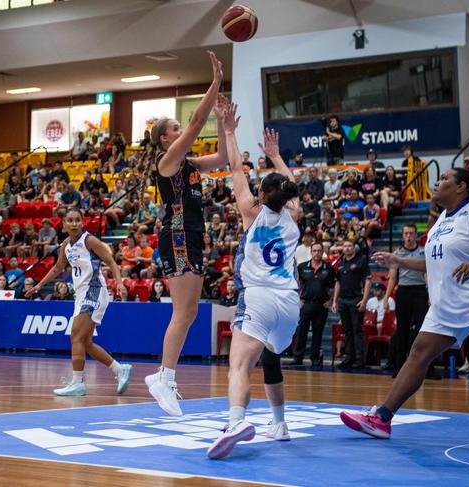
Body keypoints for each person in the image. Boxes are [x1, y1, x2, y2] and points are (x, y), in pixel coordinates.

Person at [341, 168, 469, 439]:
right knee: (419, 352)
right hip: (447, 304)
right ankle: (381, 418)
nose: (438, 182)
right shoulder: (441, 220)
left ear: (462, 187)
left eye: (445, 178)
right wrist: (399, 261)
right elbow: (433, 263)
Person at [207, 112, 301, 460]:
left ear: (262, 195)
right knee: (272, 360)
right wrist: (276, 156)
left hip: (259, 297)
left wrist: (230, 132)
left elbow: (235, 168)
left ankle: (236, 421)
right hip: (289, 302)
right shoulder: (294, 216)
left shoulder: (251, 210)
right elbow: (291, 188)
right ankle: (279, 424)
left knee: (240, 367)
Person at [143, 51, 229, 417]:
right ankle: (164, 376)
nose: (183, 130)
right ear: (165, 139)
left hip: (192, 235)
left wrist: (226, 125)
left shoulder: (192, 164)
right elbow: (196, 122)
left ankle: (166, 376)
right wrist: (214, 85)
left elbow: (223, 159)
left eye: (180, 127)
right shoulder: (167, 163)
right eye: (174, 129)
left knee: (190, 311)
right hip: (177, 235)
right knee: (182, 312)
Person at [25, 208, 132, 397]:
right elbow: (58, 267)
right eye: (70, 220)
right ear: (64, 224)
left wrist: (120, 283)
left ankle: (77, 383)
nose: (74, 223)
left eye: (77, 220)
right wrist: (39, 285)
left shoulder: (89, 241)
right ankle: (119, 369)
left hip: (94, 291)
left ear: (82, 222)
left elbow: (111, 262)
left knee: (75, 336)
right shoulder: (66, 245)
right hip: (81, 295)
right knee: (86, 342)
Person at [384, 223, 428, 373]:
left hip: (420, 291)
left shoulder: (424, 252)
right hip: (403, 292)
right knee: (402, 331)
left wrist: (430, 293)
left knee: (423, 330)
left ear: (416, 235)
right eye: (406, 233)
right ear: (403, 235)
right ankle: (399, 368)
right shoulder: (396, 254)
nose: (409, 236)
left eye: (411, 233)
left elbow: (427, 274)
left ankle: (426, 368)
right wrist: (386, 298)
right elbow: (392, 278)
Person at [294, 241, 335, 368]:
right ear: (311, 252)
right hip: (305, 304)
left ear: (322, 252)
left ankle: (315, 357)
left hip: (321, 305)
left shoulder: (329, 268)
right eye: (314, 251)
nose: (316, 253)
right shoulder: (301, 267)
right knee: (301, 332)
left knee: (318, 333)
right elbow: (295, 283)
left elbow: (334, 285)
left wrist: (331, 300)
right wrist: (297, 299)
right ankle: (298, 357)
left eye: (319, 251)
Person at [332, 239, 371, 368]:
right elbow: (337, 282)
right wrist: (335, 301)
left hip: (356, 299)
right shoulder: (341, 263)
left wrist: (364, 300)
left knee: (357, 330)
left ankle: (359, 360)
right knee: (347, 330)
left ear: (354, 248)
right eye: (345, 246)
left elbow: (367, 280)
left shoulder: (361, 261)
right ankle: (349, 357)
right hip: (343, 300)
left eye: (349, 246)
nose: (347, 248)